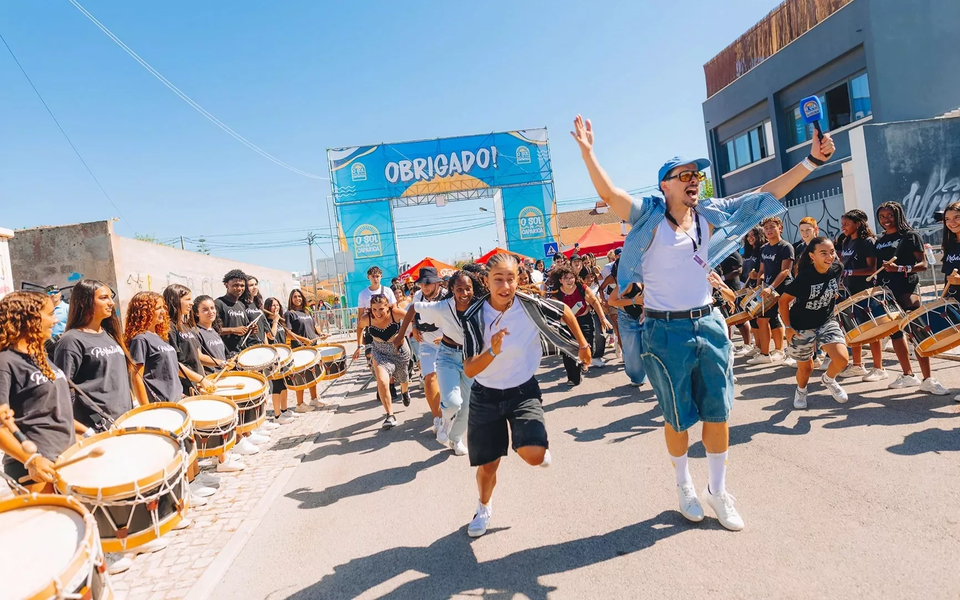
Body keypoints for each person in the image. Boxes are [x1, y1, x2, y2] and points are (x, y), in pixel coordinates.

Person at [573, 112, 834, 531]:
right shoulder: (648, 215)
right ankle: (683, 486)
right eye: (684, 175)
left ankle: (718, 490)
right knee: (677, 417)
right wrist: (588, 154)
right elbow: (611, 192)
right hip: (664, 329)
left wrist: (812, 163)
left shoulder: (711, 214)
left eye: (696, 174)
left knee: (719, 412)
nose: (693, 180)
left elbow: (764, 195)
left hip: (710, 323)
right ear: (665, 184)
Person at [460, 253, 592, 537]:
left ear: (519, 279)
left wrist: (582, 345)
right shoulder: (473, 316)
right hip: (486, 395)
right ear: (486, 281)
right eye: (498, 279)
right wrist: (492, 351)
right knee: (488, 466)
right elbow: (470, 369)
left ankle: (536, 448)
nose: (505, 285)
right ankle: (483, 507)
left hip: (523, 390)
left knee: (533, 455)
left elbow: (565, 312)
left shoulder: (531, 306)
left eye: (511, 278)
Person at [0, 292, 81, 493]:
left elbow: (53, 410)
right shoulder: (5, 362)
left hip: (65, 460)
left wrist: (85, 433)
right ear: (30, 318)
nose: (56, 320)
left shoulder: (40, 359)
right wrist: (31, 459)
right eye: (50, 314)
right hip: (36, 468)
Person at [396, 269, 482, 454]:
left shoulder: (480, 306)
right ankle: (442, 419)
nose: (464, 293)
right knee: (452, 401)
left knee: (467, 407)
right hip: (446, 354)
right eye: (459, 289)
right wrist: (403, 334)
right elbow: (413, 308)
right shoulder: (443, 305)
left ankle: (455, 439)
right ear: (452, 289)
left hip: (469, 357)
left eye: (468, 288)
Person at [875, 202, 949, 395]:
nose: (885, 220)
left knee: (916, 332)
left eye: (889, 215)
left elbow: (923, 264)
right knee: (896, 333)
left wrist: (900, 269)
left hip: (908, 289)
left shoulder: (910, 236)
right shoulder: (880, 239)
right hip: (887, 292)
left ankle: (928, 379)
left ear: (898, 215)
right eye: (882, 216)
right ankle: (908, 375)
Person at [778, 237, 850, 408]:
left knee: (842, 359)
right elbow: (783, 301)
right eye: (823, 253)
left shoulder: (837, 268)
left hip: (826, 321)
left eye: (832, 252)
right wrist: (787, 327)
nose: (829, 256)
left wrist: (830, 295)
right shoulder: (804, 278)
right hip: (801, 326)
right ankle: (801, 390)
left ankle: (829, 379)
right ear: (812, 256)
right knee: (806, 368)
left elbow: (832, 286)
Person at [54, 280, 135, 431]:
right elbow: (61, 390)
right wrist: (84, 431)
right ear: (84, 302)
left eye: (111, 297)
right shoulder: (71, 341)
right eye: (104, 298)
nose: (111, 303)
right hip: (98, 428)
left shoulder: (110, 335)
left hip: (125, 420)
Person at [192, 295, 253, 468]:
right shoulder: (197, 332)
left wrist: (228, 361)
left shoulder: (213, 331)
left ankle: (227, 449)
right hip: (211, 380)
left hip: (222, 376)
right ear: (196, 313)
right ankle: (225, 453)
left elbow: (221, 355)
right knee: (219, 419)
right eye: (205, 309)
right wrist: (220, 363)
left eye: (212, 308)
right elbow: (199, 357)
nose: (210, 312)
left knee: (228, 415)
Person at [125, 292, 210, 404]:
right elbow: (136, 378)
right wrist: (146, 410)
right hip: (160, 405)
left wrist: (201, 380)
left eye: (163, 307)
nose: (164, 312)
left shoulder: (159, 336)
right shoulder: (140, 339)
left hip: (177, 401)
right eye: (158, 308)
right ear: (144, 311)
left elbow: (174, 366)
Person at [836, 209, 886, 381]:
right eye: (842, 224)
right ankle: (857, 365)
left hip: (865, 291)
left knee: (872, 330)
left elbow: (871, 269)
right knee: (853, 329)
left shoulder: (867, 242)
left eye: (846, 224)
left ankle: (878, 368)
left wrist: (848, 272)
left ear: (857, 224)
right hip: (849, 291)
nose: (843, 227)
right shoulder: (846, 241)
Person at [351, 294, 412, 428]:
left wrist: (413, 331)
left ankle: (404, 391)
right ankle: (390, 415)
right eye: (374, 309)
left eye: (381, 309)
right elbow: (360, 327)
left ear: (388, 307)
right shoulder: (367, 319)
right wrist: (359, 346)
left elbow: (411, 316)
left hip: (399, 350)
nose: (378, 313)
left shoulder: (395, 313)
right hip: (380, 352)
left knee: (403, 379)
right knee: (382, 380)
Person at [548, 265, 612, 385]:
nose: (569, 280)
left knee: (587, 346)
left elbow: (594, 301)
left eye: (571, 277)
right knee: (569, 350)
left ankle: (583, 362)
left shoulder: (581, 287)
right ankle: (573, 377)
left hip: (584, 320)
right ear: (560, 280)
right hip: (566, 324)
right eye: (565, 278)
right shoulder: (556, 294)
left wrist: (603, 318)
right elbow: (554, 312)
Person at [401, 267, 446, 436]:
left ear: (437, 283)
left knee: (451, 386)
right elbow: (412, 312)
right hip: (427, 344)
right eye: (422, 283)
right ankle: (438, 419)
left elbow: (457, 319)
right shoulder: (418, 296)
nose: (425, 287)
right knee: (429, 379)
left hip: (449, 344)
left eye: (428, 283)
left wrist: (447, 337)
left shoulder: (448, 296)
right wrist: (413, 326)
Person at [749, 217, 796, 367]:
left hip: (782, 287)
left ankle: (790, 352)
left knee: (787, 319)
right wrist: (758, 286)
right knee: (762, 320)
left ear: (780, 228)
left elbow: (785, 271)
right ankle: (765, 354)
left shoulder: (786, 247)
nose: (768, 230)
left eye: (772, 227)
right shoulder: (764, 249)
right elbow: (762, 271)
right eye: (766, 228)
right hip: (768, 288)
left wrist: (771, 287)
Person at [285, 289, 326, 410]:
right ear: (291, 299)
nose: (298, 299)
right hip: (299, 348)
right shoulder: (289, 314)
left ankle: (314, 399)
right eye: (295, 297)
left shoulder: (307, 311)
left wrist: (321, 333)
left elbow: (315, 326)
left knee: (312, 373)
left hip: (312, 347)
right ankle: (300, 404)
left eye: (299, 296)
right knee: (300, 376)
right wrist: (303, 340)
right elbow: (288, 333)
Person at [162, 284, 205, 397]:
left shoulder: (186, 326)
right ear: (175, 301)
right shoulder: (169, 327)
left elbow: (196, 357)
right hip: (184, 388)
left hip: (197, 384)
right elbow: (173, 364)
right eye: (187, 299)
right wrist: (201, 379)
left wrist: (203, 379)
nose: (192, 303)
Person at [262, 297, 295, 424]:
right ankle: (277, 415)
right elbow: (272, 335)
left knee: (284, 384)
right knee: (277, 386)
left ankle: (284, 409)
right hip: (273, 358)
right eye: (272, 306)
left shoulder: (280, 321)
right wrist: (275, 321)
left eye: (277, 305)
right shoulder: (267, 323)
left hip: (283, 357)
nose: (275, 308)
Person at [939, 201, 960, 402]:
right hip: (956, 300)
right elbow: (947, 275)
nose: (951, 223)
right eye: (947, 219)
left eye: (956, 217)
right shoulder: (950, 243)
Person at [215, 270, 256, 358]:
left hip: (241, 353)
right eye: (235, 285)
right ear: (226, 285)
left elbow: (242, 329)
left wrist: (250, 330)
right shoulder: (219, 303)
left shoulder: (241, 305)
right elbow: (213, 330)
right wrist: (234, 330)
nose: (239, 288)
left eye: (242, 285)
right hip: (226, 355)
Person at [240, 275, 266, 346]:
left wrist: (267, 345)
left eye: (256, 284)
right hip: (249, 345)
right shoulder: (241, 304)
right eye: (251, 285)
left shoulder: (259, 305)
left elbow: (263, 330)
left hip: (262, 345)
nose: (255, 287)